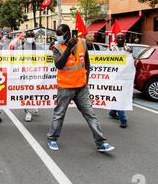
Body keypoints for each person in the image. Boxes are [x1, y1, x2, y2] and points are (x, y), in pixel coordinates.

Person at [47, 24, 115, 152]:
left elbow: (87, 63)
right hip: (65, 87)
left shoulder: (82, 43)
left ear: (67, 33)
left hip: (81, 88)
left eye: (60, 34)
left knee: (90, 114)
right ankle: (52, 139)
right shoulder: (56, 47)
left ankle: (101, 142)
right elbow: (59, 65)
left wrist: (86, 80)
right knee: (59, 114)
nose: (58, 37)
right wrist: (68, 48)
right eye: (57, 34)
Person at [109, 33, 133, 128]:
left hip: (125, 77)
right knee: (118, 96)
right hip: (115, 77)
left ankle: (113, 112)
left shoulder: (128, 49)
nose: (120, 39)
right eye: (118, 37)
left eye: (122, 37)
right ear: (116, 39)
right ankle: (123, 119)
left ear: (125, 39)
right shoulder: (112, 49)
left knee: (120, 96)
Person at [17, 30, 39, 122]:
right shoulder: (21, 48)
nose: (30, 38)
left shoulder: (39, 47)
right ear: (25, 37)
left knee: (34, 91)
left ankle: (34, 105)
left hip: (37, 73)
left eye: (32, 36)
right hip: (25, 73)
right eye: (29, 36)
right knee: (26, 92)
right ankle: (28, 112)